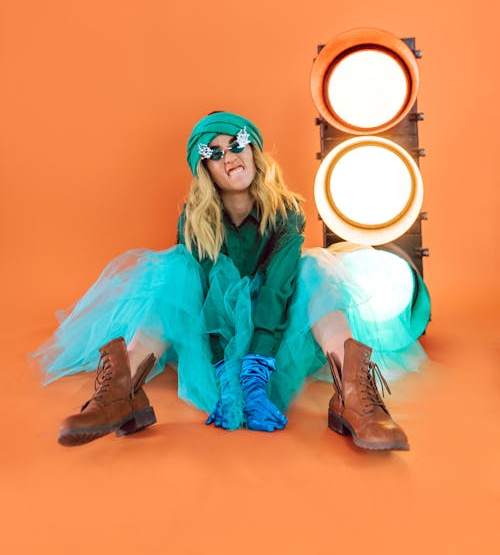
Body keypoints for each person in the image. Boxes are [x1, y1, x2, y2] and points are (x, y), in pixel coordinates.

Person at [33, 111, 430, 450]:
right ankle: (120, 392)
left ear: (252, 148)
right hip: (211, 336)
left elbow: (278, 287)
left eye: (237, 142)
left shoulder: (286, 211)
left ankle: (355, 396)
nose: (230, 156)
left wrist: (256, 365)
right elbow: (204, 300)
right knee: (176, 270)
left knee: (314, 271)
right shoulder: (195, 219)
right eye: (214, 152)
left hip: (277, 326)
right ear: (204, 168)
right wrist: (224, 367)